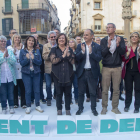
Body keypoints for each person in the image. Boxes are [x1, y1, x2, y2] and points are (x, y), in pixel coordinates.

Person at [75, 29, 102, 116]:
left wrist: (91, 53)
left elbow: (99, 58)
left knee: (93, 92)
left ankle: (93, 109)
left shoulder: (97, 46)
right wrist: (83, 52)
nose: (85, 36)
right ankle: (80, 108)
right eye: (84, 35)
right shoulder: (80, 46)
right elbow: (76, 58)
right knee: (81, 92)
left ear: (92, 36)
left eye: (87, 35)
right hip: (81, 72)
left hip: (92, 72)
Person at [101, 23, 126, 115]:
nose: (107, 29)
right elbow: (102, 54)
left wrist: (118, 44)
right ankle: (104, 107)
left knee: (116, 89)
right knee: (104, 89)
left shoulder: (120, 39)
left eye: (109, 27)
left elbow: (123, 52)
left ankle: (115, 107)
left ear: (114, 29)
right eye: (106, 27)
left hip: (117, 67)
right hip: (106, 68)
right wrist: (108, 46)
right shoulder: (103, 40)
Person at [49, 33, 75, 115]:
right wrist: (63, 56)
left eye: (63, 38)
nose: (61, 39)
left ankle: (68, 109)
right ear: (57, 40)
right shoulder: (54, 49)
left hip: (68, 74)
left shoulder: (70, 49)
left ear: (65, 40)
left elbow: (74, 62)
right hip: (57, 74)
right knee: (59, 93)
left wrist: (68, 55)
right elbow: (53, 60)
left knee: (68, 93)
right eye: (59, 38)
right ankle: (59, 109)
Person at [20, 35, 43, 114]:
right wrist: (26, 58)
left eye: (32, 41)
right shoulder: (22, 51)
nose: (31, 42)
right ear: (26, 41)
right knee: (28, 91)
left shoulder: (37, 51)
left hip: (36, 73)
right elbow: (22, 63)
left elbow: (40, 62)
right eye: (29, 40)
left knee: (37, 90)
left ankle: (37, 105)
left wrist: (34, 59)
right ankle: (28, 106)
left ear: (34, 42)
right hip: (26, 73)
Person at [122, 32, 140, 113]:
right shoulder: (127, 47)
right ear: (130, 38)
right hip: (128, 72)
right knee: (128, 89)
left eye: (136, 36)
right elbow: (123, 59)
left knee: (138, 90)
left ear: (138, 38)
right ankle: (127, 106)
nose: (134, 38)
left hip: (138, 72)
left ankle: (137, 107)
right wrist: (128, 53)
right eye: (132, 36)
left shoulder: (139, 47)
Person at [7, 34, 26, 108]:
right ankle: (15, 103)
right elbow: (9, 58)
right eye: (16, 38)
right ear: (13, 39)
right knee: (14, 88)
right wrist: (14, 52)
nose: (17, 39)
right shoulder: (9, 48)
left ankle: (23, 103)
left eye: (18, 38)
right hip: (13, 70)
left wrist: (21, 50)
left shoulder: (23, 47)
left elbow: (25, 57)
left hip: (22, 70)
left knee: (23, 87)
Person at [0, 35, 16, 114]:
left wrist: (8, 56)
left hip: (10, 76)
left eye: (4, 41)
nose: (3, 43)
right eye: (1, 41)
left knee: (10, 92)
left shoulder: (9, 50)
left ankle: (11, 107)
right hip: (1, 77)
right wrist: (3, 57)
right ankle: (4, 107)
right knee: (3, 93)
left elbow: (13, 61)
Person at [43, 31, 57, 106]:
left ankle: (57, 96)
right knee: (48, 85)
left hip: (58, 69)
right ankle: (49, 98)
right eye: (51, 37)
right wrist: (51, 54)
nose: (53, 38)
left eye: (54, 37)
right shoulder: (45, 46)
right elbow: (44, 57)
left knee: (57, 85)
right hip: (48, 69)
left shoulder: (59, 45)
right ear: (49, 38)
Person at [33, 34, 46, 104]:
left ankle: (41, 97)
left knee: (40, 84)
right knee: (32, 85)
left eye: (36, 38)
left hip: (40, 69)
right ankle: (32, 98)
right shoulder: (28, 46)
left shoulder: (41, 46)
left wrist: (39, 50)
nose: (35, 39)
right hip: (31, 69)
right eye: (34, 38)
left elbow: (43, 57)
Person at [69, 38, 78, 104]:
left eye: (72, 42)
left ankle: (76, 98)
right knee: (69, 86)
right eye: (70, 42)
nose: (71, 43)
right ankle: (69, 99)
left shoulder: (78, 50)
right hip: (69, 71)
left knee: (76, 85)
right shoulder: (67, 50)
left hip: (76, 70)